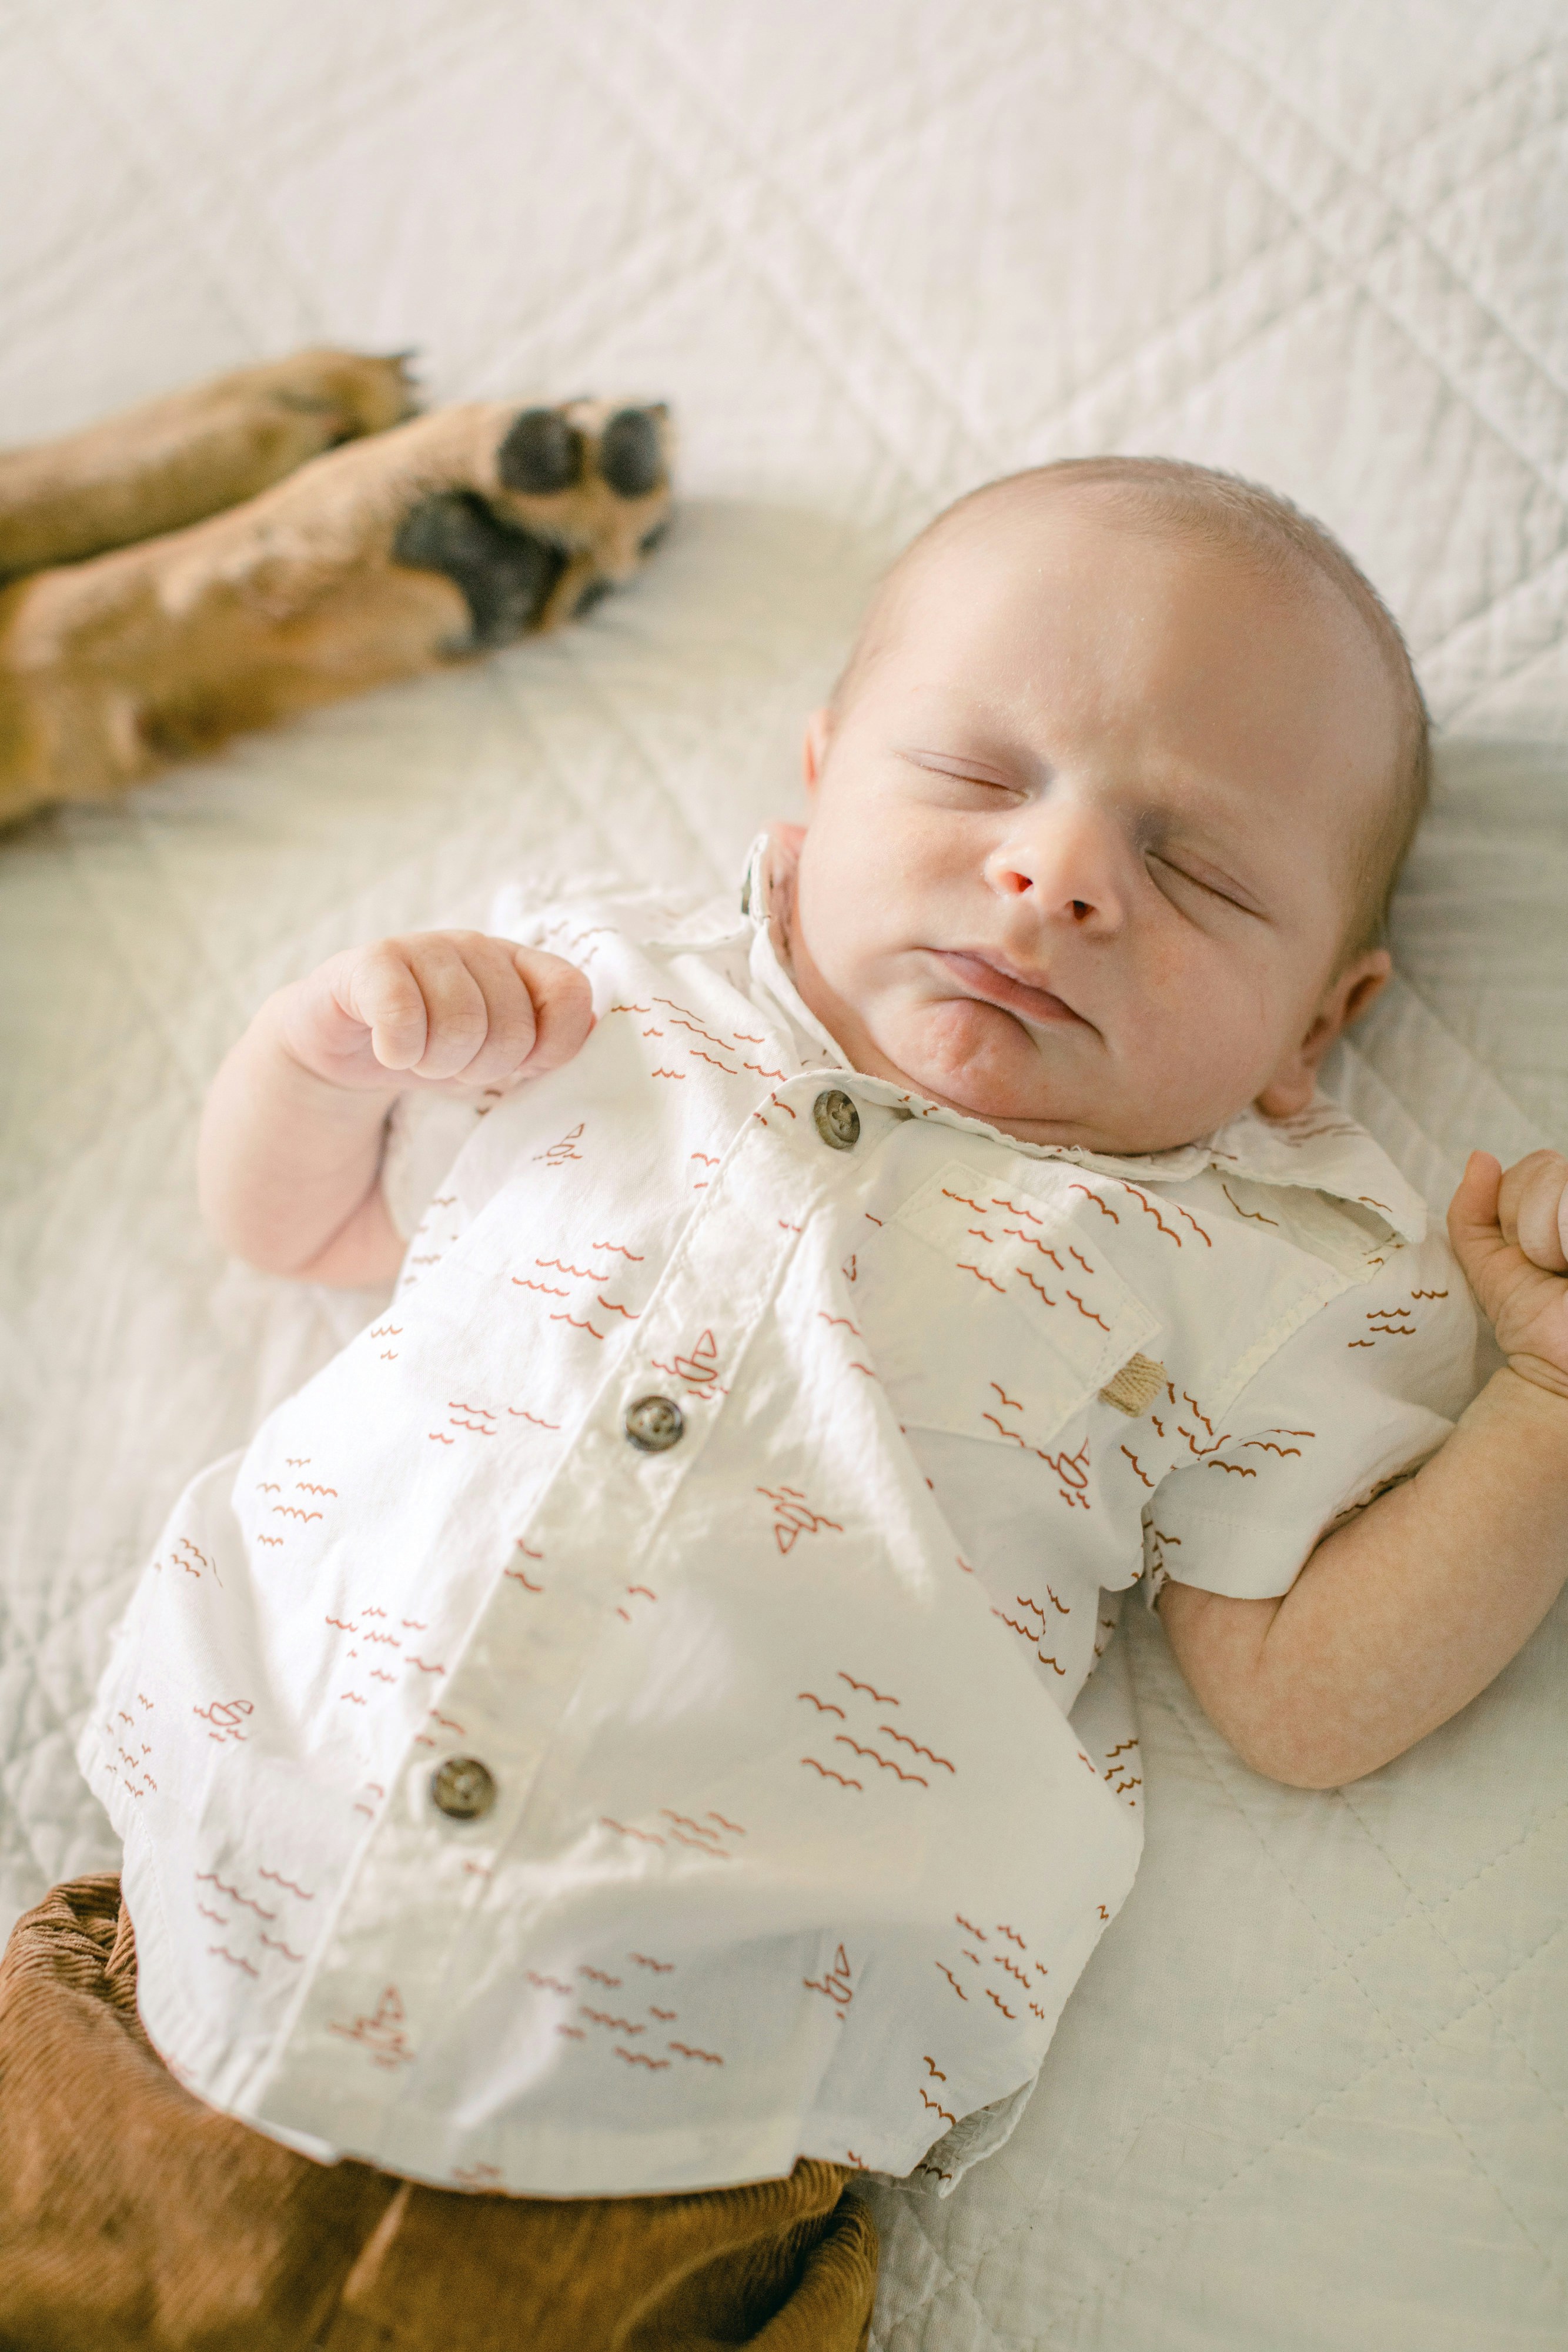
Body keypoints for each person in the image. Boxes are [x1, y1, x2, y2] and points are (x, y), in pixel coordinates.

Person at [10, 456, 1566, 2351]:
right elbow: (297, 1225)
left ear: (1321, 1022)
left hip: (678, 2160)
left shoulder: (1244, 1266)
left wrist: (1543, 1405)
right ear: (818, 782)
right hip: (179, 1975)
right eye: (978, 777)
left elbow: (1308, 1702)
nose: (1058, 871)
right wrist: (326, 1046)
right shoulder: (593, 1008)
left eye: (1198, 870)